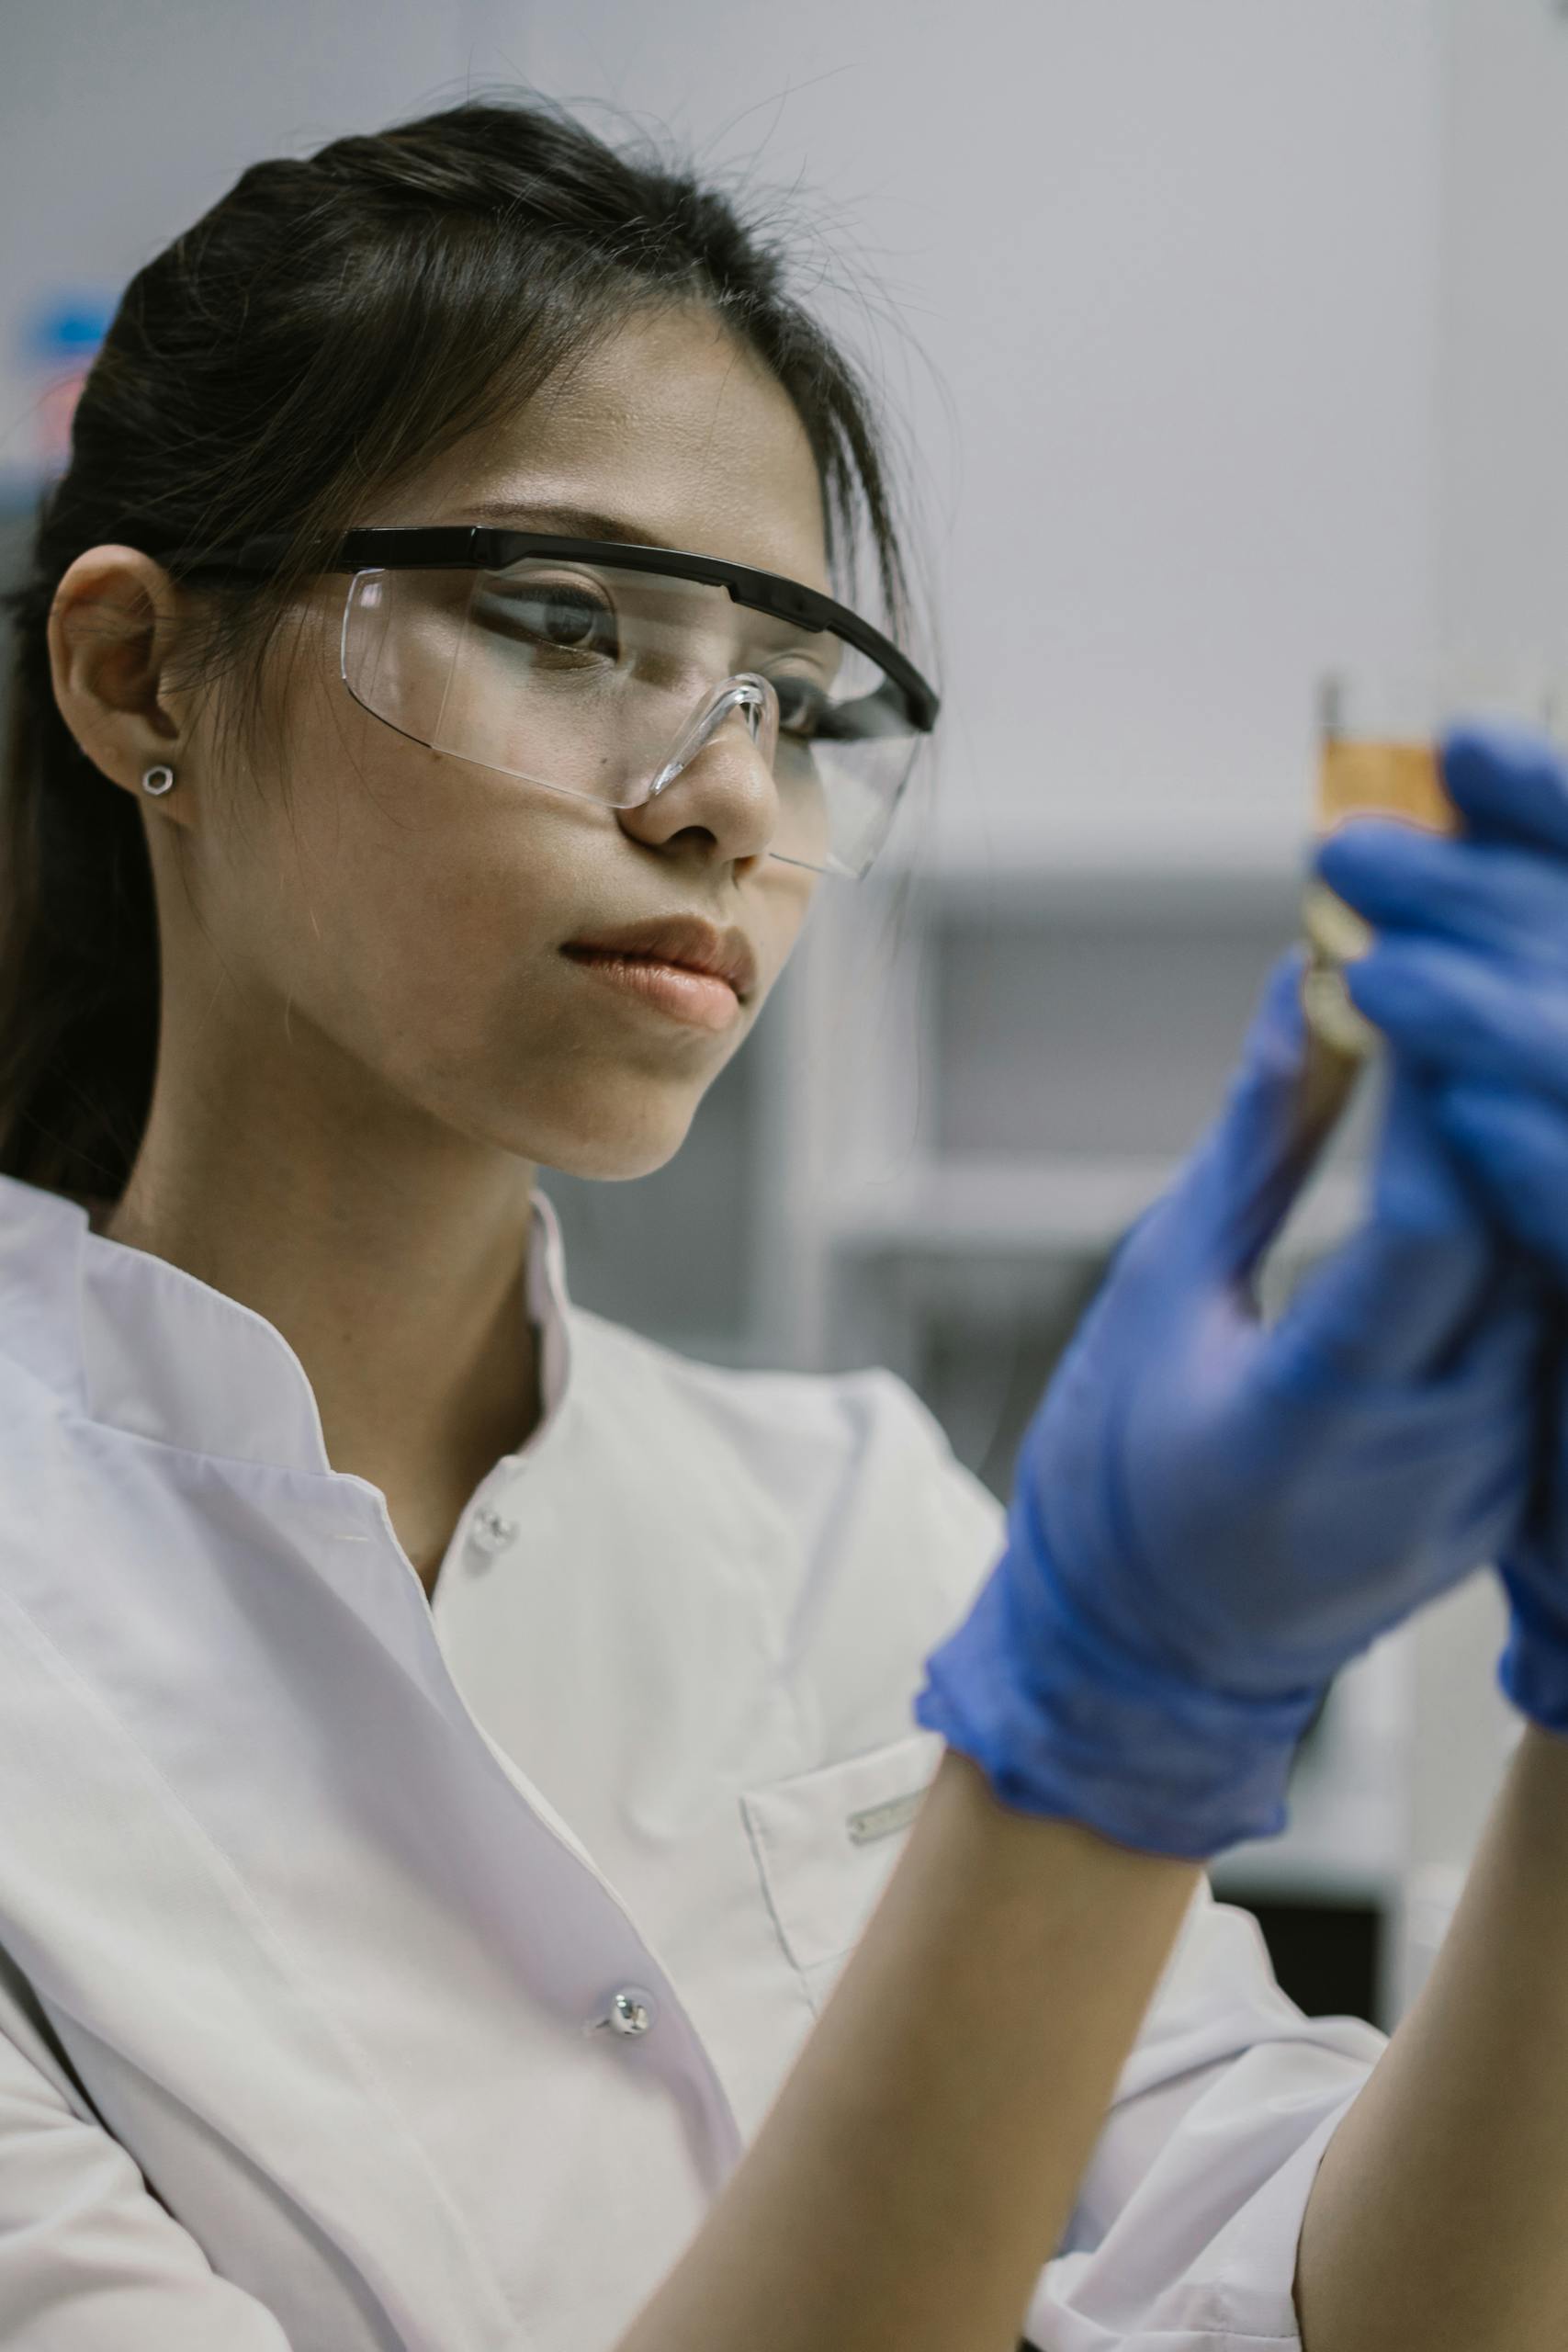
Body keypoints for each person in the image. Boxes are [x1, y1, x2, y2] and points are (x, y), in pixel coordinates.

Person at [2, 87, 1566, 2352]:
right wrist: (1103, 1732)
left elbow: (1355, 2308)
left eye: (799, 705)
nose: (730, 792)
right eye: (559, 618)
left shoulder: (855, 1522)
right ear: (141, 672)